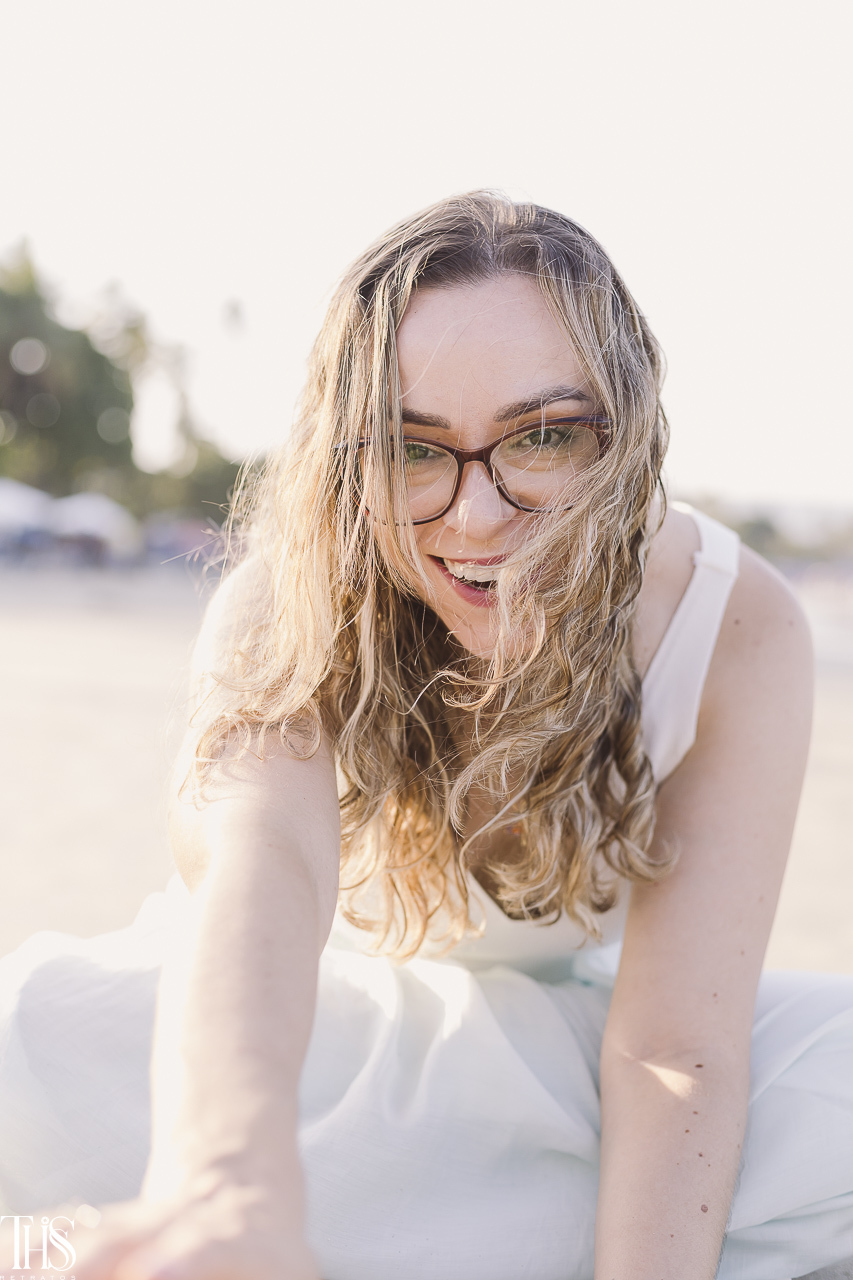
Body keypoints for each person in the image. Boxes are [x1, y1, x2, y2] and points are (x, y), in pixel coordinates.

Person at [1, 191, 852, 1280]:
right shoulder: (280, 606)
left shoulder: (734, 622)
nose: (477, 512)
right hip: (295, 1041)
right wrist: (224, 1182)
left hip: (565, 1065)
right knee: (32, 1035)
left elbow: (675, 1046)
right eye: (411, 448)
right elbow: (261, 878)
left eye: (542, 435)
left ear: (625, 430)